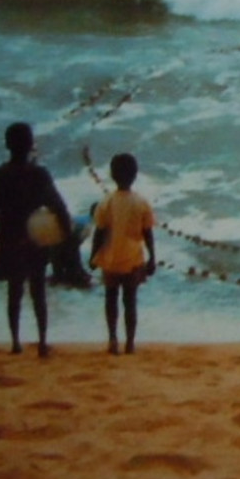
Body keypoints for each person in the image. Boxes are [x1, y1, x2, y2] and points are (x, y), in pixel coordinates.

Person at [0, 122, 71, 358]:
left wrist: (5, 225)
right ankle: (43, 342)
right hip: (36, 238)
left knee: (14, 290)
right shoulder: (39, 174)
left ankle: (15, 342)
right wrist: (64, 234)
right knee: (38, 290)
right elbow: (57, 205)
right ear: (31, 145)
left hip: (11, 238)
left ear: (7, 145)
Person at [91, 152, 157, 355]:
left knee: (110, 300)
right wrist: (153, 257)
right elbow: (147, 233)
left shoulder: (107, 202)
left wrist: (93, 256)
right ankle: (130, 342)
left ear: (112, 175)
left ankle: (112, 339)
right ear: (135, 175)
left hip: (110, 259)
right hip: (133, 259)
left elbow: (99, 232)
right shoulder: (141, 202)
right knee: (130, 302)